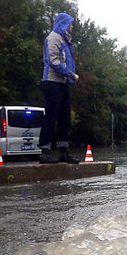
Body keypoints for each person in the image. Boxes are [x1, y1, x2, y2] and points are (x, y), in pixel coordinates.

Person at [39, 12, 80, 164]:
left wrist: (69, 77)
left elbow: (67, 60)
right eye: (70, 23)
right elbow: (53, 61)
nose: (72, 26)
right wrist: (71, 74)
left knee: (65, 118)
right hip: (52, 82)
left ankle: (64, 152)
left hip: (63, 83)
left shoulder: (65, 40)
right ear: (63, 24)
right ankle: (44, 152)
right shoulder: (54, 38)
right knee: (50, 117)